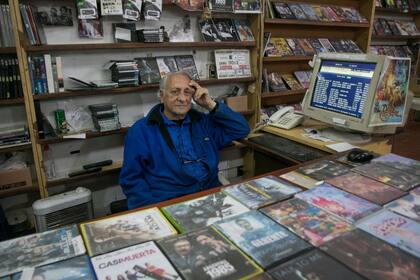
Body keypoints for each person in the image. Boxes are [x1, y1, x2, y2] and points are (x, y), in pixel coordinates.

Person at [120, 71, 250, 209]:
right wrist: (151, 211)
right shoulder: (141, 131)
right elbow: (132, 180)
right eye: (175, 92)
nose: (182, 98)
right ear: (162, 96)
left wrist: (210, 104)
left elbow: (241, 129)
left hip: (211, 196)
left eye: (187, 92)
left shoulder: (203, 122)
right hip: (170, 202)